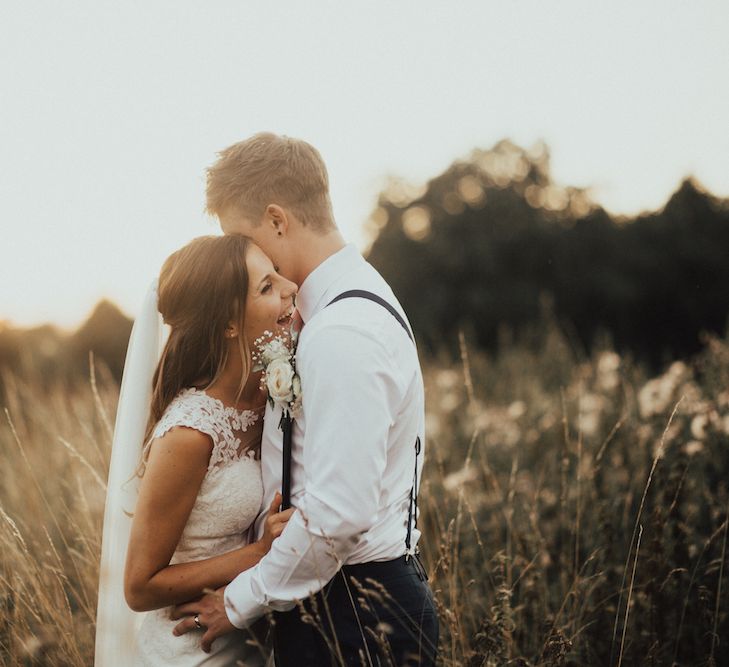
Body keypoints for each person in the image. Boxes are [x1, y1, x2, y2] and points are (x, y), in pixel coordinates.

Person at [172, 133, 440, 666]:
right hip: (335, 597)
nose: (238, 257)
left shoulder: (343, 331)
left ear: (276, 220)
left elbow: (340, 512)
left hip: (357, 612)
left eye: (240, 237)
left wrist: (238, 601)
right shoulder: (329, 312)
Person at [95, 234, 298, 666]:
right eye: (266, 286)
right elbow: (139, 586)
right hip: (192, 648)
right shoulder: (190, 432)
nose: (289, 287)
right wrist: (258, 554)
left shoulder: (272, 395)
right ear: (228, 323)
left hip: (250, 637)